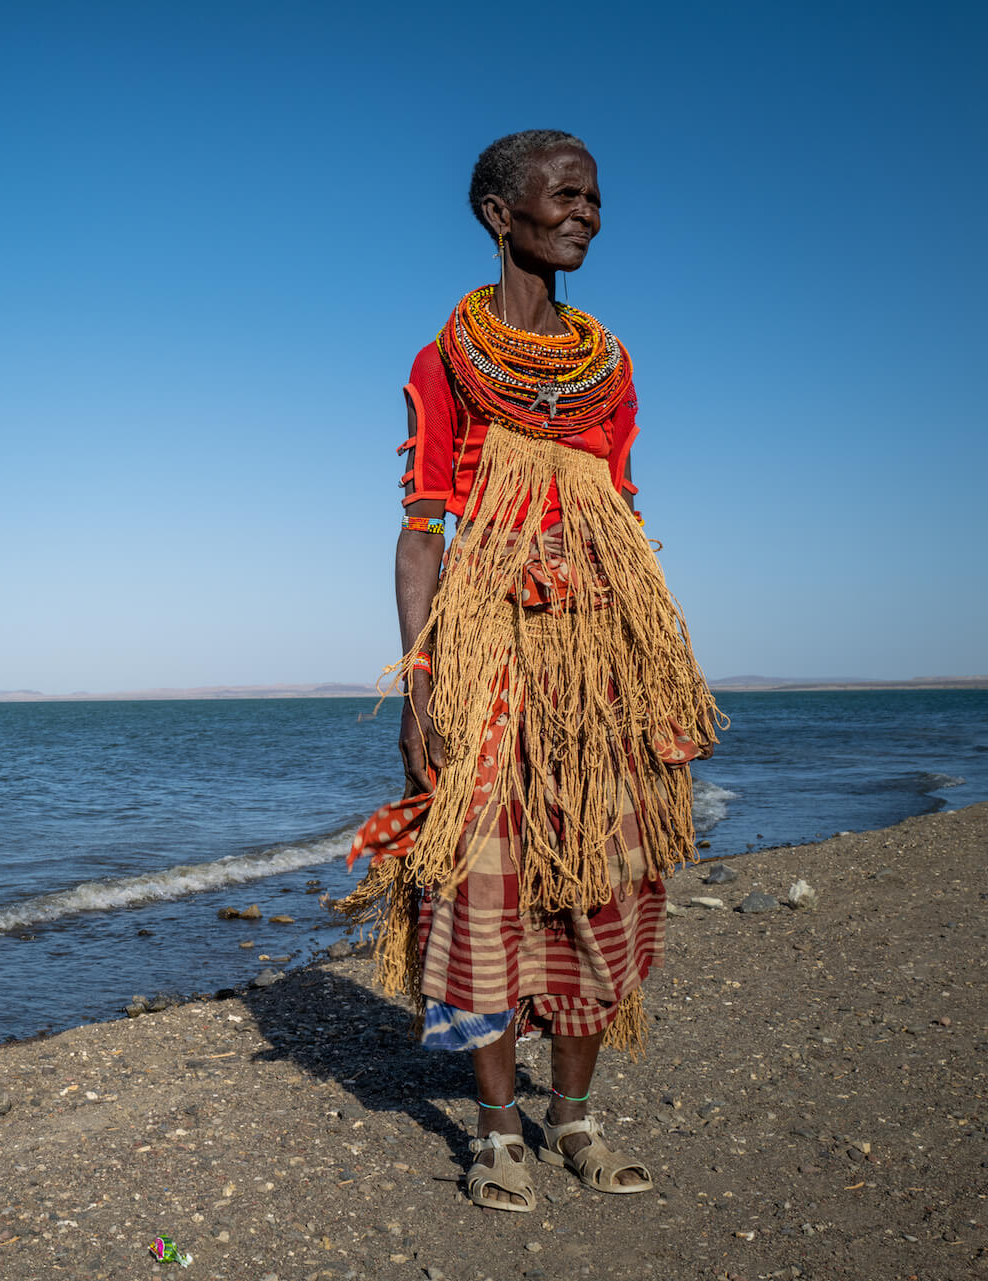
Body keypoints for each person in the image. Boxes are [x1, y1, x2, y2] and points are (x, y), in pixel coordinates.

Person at [333, 130, 721, 1213]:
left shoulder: (612, 365)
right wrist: (421, 686)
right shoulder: (446, 361)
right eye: (566, 196)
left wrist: (653, 670)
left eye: (596, 196)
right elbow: (423, 535)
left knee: (604, 873)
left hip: (602, 664)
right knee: (485, 884)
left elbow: (626, 517)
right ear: (503, 215)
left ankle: (577, 1119)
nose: (588, 213)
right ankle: (498, 1130)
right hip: (490, 658)